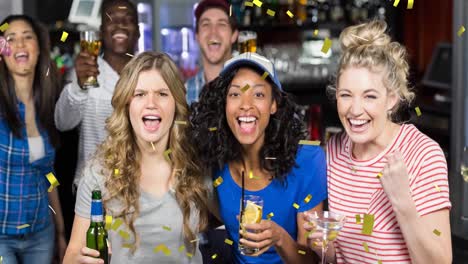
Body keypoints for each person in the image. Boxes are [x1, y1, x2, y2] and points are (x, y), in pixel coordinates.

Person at [305, 20, 452, 263]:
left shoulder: (423, 154)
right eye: (345, 95)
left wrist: (401, 199)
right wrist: (321, 244)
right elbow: (337, 256)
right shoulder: (332, 152)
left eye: (370, 96)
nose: (355, 110)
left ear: (391, 99)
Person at [63, 51, 211, 264]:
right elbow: (72, 256)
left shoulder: (197, 166)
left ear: (176, 104)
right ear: (126, 105)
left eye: (162, 93)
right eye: (139, 94)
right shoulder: (99, 172)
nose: (151, 103)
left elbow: (237, 218)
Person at [190, 52, 327, 263]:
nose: (246, 104)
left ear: (274, 104)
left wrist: (280, 238)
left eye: (259, 95)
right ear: (224, 104)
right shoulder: (214, 162)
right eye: (235, 94)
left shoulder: (307, 161)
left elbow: (312, 260)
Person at [0, 15, 66, 263]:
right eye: (11, 39)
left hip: (41, 233)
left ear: (38, 49)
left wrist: (60, 231)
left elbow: (48, 175)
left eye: (27, 37)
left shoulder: (48, 106)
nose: (20, 45)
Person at [55, 0, 140, 188]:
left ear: (138, 31)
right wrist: (79, 85)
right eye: (112, 20)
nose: (120, 25)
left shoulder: (150, 73)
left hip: (141, 187)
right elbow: (62, 122)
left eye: (128, 19)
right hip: (93, 189)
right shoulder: (84, 71)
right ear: (101, 32)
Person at [186, 0, 239, 105]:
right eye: (206, 24)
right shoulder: (184, 93)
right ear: (196, 36)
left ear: (234, 35)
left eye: (222, 24)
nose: (213, 33)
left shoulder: (250, 87)